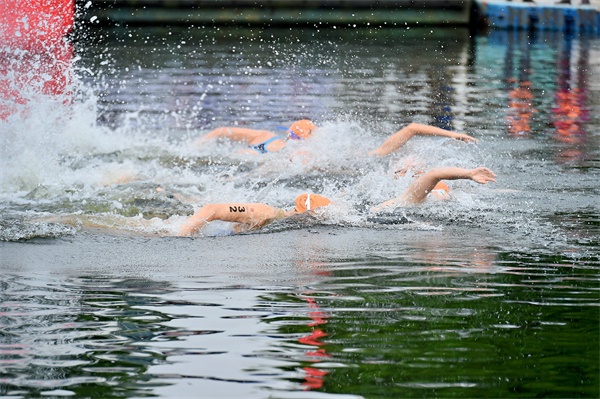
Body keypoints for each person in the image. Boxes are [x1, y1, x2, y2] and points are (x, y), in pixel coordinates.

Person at [178, 167, 496, 236]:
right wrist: (184, 235)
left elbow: (426, 180)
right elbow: (211, 209)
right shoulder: (268, 214)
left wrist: (467, 174)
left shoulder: (360, 215)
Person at [192, 120, 478, 157]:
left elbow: (220, 131)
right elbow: (412, 128)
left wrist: (194, 148)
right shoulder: (311, 154)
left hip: (250, 155)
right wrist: (454, 134)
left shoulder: (268, 137)